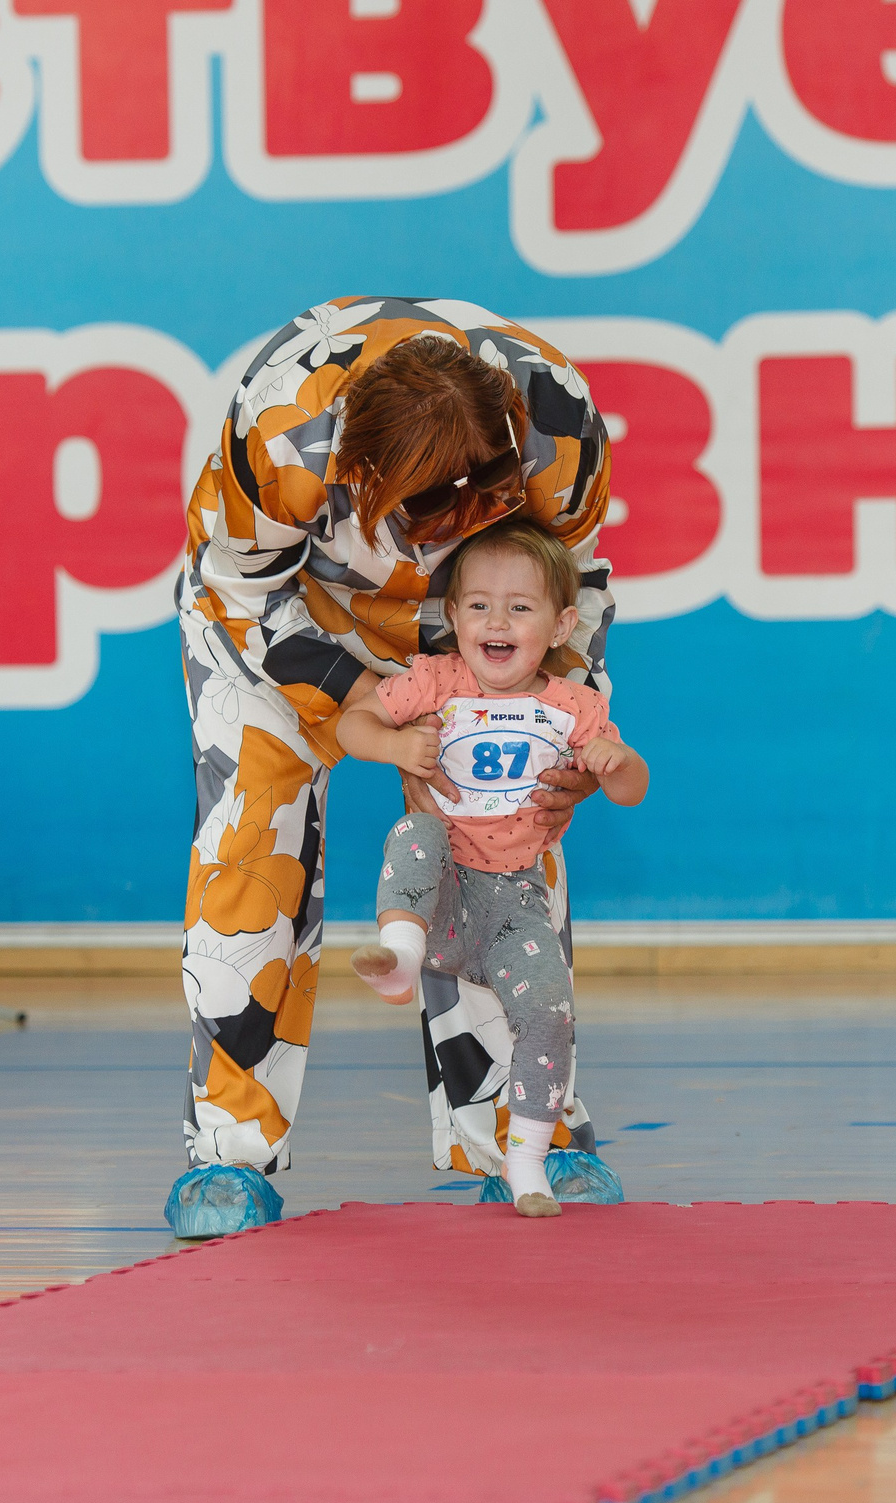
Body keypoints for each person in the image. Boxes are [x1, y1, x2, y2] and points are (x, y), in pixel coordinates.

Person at [172, 297, 618, 1238]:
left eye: (485, 495)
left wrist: (559, 735)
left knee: (508, 838)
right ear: (357, 472)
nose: (459, 525)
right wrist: (377, 724)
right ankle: (230, 1155)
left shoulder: (562, 421)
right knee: (252, 846)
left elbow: (571, 584)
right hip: (286, 622)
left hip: (484, 629)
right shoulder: (283, 427)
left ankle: (524, 1137)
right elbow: (240, 590)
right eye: (430, 509)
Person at [338, 519, 648, 1216]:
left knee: (549, 1013)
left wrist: (615, 763)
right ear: (453, 618)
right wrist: (395, 748)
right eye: (478, 605)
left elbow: (635, 786)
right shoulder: (437, 680)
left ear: (562, 623)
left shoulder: (571, 704)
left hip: (515, 907)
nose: (496, 620)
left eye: (519, 606)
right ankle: (400, 955)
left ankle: (529, 1161)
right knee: (414, 831)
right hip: (444, 894)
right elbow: (351, 725)